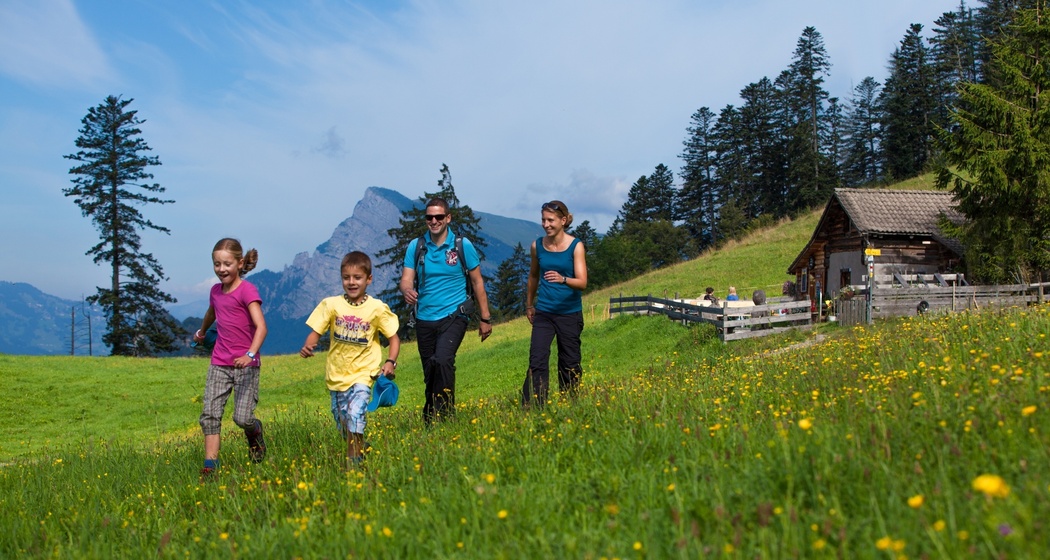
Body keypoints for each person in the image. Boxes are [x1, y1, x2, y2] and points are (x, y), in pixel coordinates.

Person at [300, 251, 400, 468]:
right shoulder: (332, 305)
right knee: (344, 424)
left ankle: (353, 466)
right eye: (347, 277)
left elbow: (393, 338)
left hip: (364, 374)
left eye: (357, 278)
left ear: (369, 279)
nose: (352, 282)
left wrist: (390, 361)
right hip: (337, 376)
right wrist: (309, 345)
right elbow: (316, 331)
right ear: (341, 278)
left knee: (355, 415)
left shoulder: (376, 308)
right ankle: (362, 448)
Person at [399, 197, 493, 424]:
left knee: (442, 360)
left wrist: (485, 318)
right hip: (424, 318)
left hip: (455, 314)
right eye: (429, 217)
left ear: (448, 218)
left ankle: (445, 416)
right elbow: (406, 279)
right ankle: (431, 417)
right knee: (430, 370)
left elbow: (478, 282)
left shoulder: (462, 245)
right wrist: (407, 290)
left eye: (439, 217)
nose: (434, 221)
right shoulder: (417, 246)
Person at [192, 238, 268, 479]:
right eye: (217, 264)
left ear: (239, 263)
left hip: (246, 365)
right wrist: (202, 332)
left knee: (242, 417)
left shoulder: (247, 290)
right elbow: (211, 312)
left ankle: (255, 432)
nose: (221, 269)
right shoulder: (215, 291)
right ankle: (210, 467)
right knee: (210, 414)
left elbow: (261, 327)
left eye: (226, 264)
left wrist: (249, 354)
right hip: (219, 363)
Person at [523, 200, 588, 407]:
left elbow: (583, 282)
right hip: (544, 313)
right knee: (537, 360)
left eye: (550, 220)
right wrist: (529, 304)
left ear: (563, 220)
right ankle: (535, 406)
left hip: (569, 313)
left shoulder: (576, 246)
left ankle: (570, 403)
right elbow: (533, 276)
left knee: (569, 362)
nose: (546, 224)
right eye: (543, 219)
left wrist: (563, 279)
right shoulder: (537, 246)